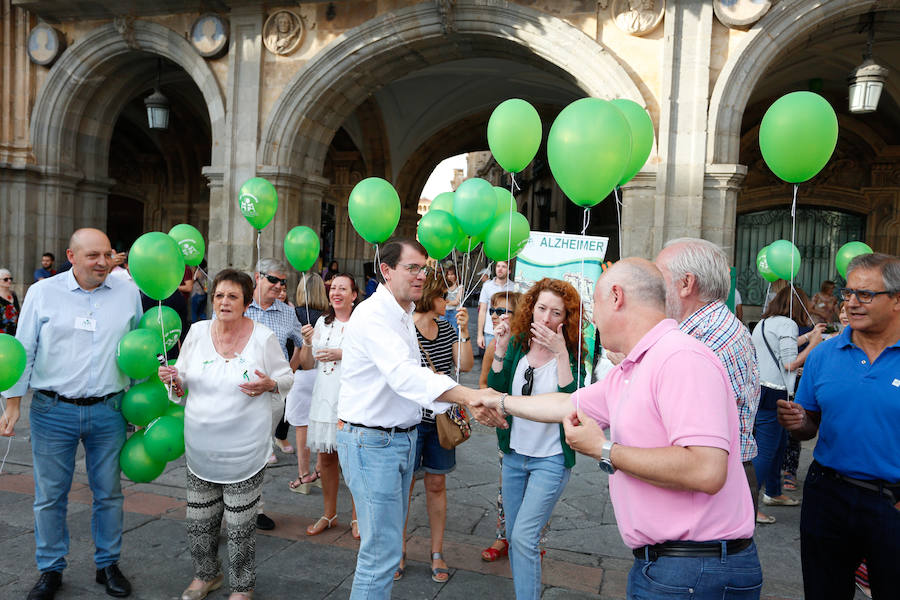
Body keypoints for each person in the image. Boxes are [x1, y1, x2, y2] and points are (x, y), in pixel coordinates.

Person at [470, 258, 761, 600]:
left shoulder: (681, 358)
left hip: (694, 570)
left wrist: (604, 449)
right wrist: (492, 400)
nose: (591, 317)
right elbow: (567, 403)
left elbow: (706, 470)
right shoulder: (639, 365)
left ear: (617, 297)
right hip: (671, 567)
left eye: (594, 304)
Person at [335, 238, 499, 599]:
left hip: (396, 439)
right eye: (412, 268)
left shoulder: (401, 314)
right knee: (380, 555)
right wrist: (470, 395)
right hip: (372, 442)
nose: (421, 276)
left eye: (423, 268)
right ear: (386, 270)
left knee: (388, 549)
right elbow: (405, 375)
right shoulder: (376, 314)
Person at [0, 228, 143, 600]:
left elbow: (138, 349)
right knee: (49, 495)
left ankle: (108, 563)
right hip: (52, 409)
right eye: (93, 255)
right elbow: (24, 347)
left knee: (109, 493)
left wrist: (143, 404)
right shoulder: (43, 292)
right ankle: (50, 569)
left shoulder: (128, 292)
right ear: (71, 256)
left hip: (109, 409)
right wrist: (13, 403)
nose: (103, 262)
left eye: (108, 254)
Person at [158, 268, 293, 600]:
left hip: (245, 450)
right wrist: (172, 378)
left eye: (233, 296)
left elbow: (287, 378)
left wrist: (269, 384)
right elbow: (183, 382)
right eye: (219, 295)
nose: (224, 301)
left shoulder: (263, 337)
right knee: (199, 521)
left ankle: (243, 587)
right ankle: (207, 575)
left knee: (240, 526)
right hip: (201, 448)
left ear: (246, 302)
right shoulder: (198, 332)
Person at [778, 253, 900, 600]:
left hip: (892, 501)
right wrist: (799, 421)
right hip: (827, 495)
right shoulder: (823, 355)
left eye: (865, 294)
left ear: (897, 300)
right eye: (848, 293)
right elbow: (810, 425)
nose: (852, 303)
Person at [484, 278, 584, 599]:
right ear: (531, 309)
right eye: (541, 308)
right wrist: (499, 351)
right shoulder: (517, 345)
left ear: (565, 319)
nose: (545, 318)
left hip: (551, 459)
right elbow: (497, 389)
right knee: (515, 537)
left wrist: (560, 355)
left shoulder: (572, 354)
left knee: (525, 537)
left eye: (555, 313)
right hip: (514, 456)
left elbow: (574, 405)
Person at [655, 238, 762, 516]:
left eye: (659, 276)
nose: (652, 286)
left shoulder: (704, 338)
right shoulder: (705, 328)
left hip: (715, 484)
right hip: (720, 476)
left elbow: (678, 419)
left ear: (686, 283)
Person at [396, 271, 473, 582]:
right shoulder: (404, 331)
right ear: (430, 298)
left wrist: (464, 332)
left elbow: (465, 365)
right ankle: (398, 550)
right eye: (444, 297)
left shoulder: (446, 328)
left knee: (437, 485)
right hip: (410, 420)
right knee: (404, 487)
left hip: (441, 420)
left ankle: (437, 552)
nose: (449, 302)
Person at [751, 285, 825, 524]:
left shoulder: (765, 323)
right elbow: (790, 364)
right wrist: (814, 344)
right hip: (774, 393)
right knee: (766, 451)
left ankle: (773, 492)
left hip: (760, 390)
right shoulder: (787, 324)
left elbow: (784, 346)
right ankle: (748, 508)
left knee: (778, 446)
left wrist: (808, 337)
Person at [299, 273, 360, 536]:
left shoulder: (362, 322)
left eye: (342, 289)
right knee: (326, 459)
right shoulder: (323, 322)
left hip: (353, 398)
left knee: (355, 461)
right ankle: (329, 513)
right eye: (333, 288)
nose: (336, 292)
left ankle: (358, 517)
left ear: (354, 295)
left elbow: (371, 356)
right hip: (325, 396)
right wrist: (307, 342)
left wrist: (341, 354)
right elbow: (307, 363)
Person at [477, 290, 522, 562]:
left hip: (537, 427)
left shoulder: (532, 345)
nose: (495, 316)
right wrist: (493, 405)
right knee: (506, 487)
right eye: (493, 311)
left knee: (537, 489)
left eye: (502, 311)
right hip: (508, 427)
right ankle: (503, 537)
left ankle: (530, 539)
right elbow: (484, 384)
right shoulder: (495, 345)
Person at [286, 272, 327, 494]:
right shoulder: (329, 316)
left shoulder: (294, 314)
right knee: (320, 425)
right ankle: (321, 471)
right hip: (324, 376)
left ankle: (304, 477)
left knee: (301, 428)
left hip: (301, 376)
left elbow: (294, 351)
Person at [477, 260, 517, 351]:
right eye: (498, 266)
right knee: (489, 361)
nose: (500, 269)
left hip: (508, 331)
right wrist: (480, 335)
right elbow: (482, 311)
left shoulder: (514, 287)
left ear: (509, 270)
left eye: (503, 266)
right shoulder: (487, 286)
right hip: (490, 332)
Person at [442, 264, 462, 335]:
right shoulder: (444, 285)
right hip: (444, 311)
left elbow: (457, 302)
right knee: (442, 333)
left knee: (454, 332)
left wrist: (446, 302)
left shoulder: (460, 287)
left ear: (456, 275)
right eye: (448, 274)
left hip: (455, 312)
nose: (450, 276)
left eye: (452, 274)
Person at [0, 268, 20, 335]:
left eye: (10, 279)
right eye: (5, 279)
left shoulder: (13, 294)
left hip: (15, 332)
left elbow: (18, 312)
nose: (9, 281)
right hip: (2, 333)